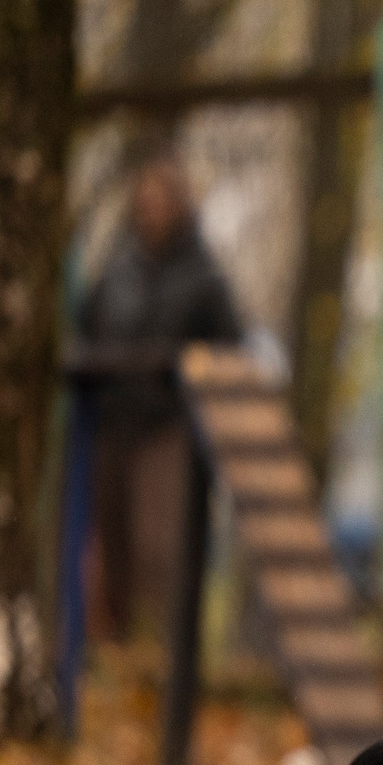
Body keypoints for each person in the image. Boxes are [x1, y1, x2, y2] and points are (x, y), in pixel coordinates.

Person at [77, 151, 244, 643]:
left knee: (160, 550)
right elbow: (85, 328)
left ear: (179, 207)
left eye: (158, 201)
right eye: (141, 201)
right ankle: (113, 655)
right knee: (110, 550)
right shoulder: (116, 269)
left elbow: (230, 349)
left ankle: (164, 655)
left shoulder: (204, 278)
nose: (147, 210)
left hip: (169, 429)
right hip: (111, 423)